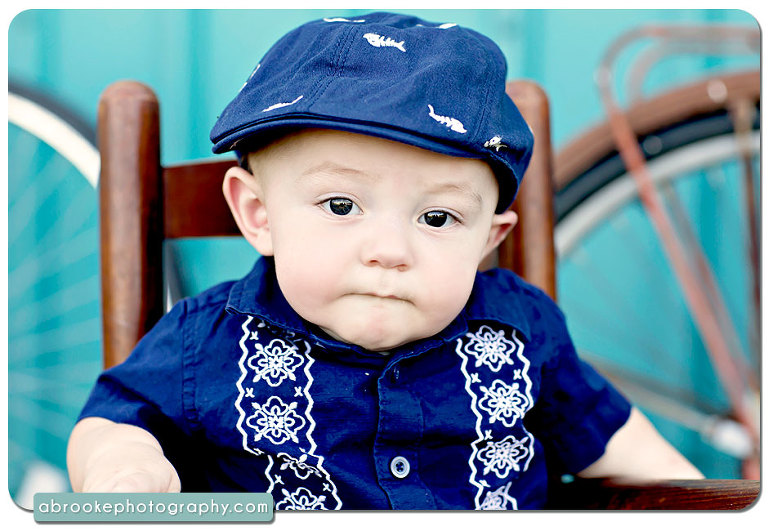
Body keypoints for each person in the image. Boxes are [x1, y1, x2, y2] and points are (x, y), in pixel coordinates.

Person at [67, 12, 702, 509]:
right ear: (259, 215)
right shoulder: (206, 341)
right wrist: (128, 472)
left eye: (437, 218)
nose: (391, 252)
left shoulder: (523, 328)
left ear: (487, 237)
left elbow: (619, 445)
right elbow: (115, 421)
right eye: (341, 205)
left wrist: (707, 502)